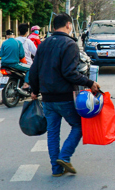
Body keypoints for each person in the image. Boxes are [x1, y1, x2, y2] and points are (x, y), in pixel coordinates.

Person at [29, 13, 100, 177]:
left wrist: (34, 89)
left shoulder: (44, 44)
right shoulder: (70, 44)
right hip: (65, 97)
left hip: (47, 97)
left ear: (53, 27)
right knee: (79, 126)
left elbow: (34, 70)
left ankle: (56, 169)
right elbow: (70, 73)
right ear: (68, 24)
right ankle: (65, 156)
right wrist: (90, 83)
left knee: (53, 132)